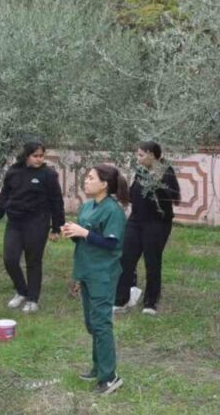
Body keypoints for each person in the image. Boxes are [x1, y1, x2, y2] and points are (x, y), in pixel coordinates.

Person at [61, 164, 129, 395]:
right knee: (92, 323)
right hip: (87, 271)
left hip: (103, 273)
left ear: (104, 184)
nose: (86, 181)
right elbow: (83, 238)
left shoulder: (114, 211)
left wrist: (85, 233)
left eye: (91, 178)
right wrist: (72, 232)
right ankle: (98, 366)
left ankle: (110, 378)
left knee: (101, 324)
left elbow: (111, 242)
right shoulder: (87, 206)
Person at [0, 141, 65, 313]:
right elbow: (4, 196)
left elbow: (56, 201)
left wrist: (56, 227)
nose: (39, 159)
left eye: (41, 156)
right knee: (10, 259)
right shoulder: (14, 172)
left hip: (37, 223)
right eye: (35, 156)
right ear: (26, 156)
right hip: (15, 222)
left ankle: (32, 299)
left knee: (33, 261)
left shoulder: (48, 175)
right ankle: (21, 291)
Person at [114, 141, 181, 315]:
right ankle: (121, 300)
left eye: (141, 155)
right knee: (125, 259)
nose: (138, 158)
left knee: (152, 262)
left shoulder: (166, 172)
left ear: (152, 154)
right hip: (136, 221)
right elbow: (133, 195)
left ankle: (150, 303)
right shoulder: (141, 172)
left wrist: (157, 185)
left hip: (157, 223)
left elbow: (173, 198)